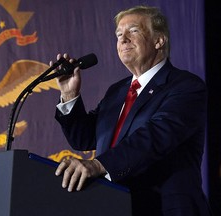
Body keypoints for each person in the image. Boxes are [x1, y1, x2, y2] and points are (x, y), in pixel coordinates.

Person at [52, 5, 212, 216]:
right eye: (119, 34)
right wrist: (70, 95)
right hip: (116, 207)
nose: (123, 39)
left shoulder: (186, 87)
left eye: (133, 31)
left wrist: (98, 165)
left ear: (159, 40)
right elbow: (85, 138)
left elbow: (154, 137)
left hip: (163, 208)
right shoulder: (117, 91)